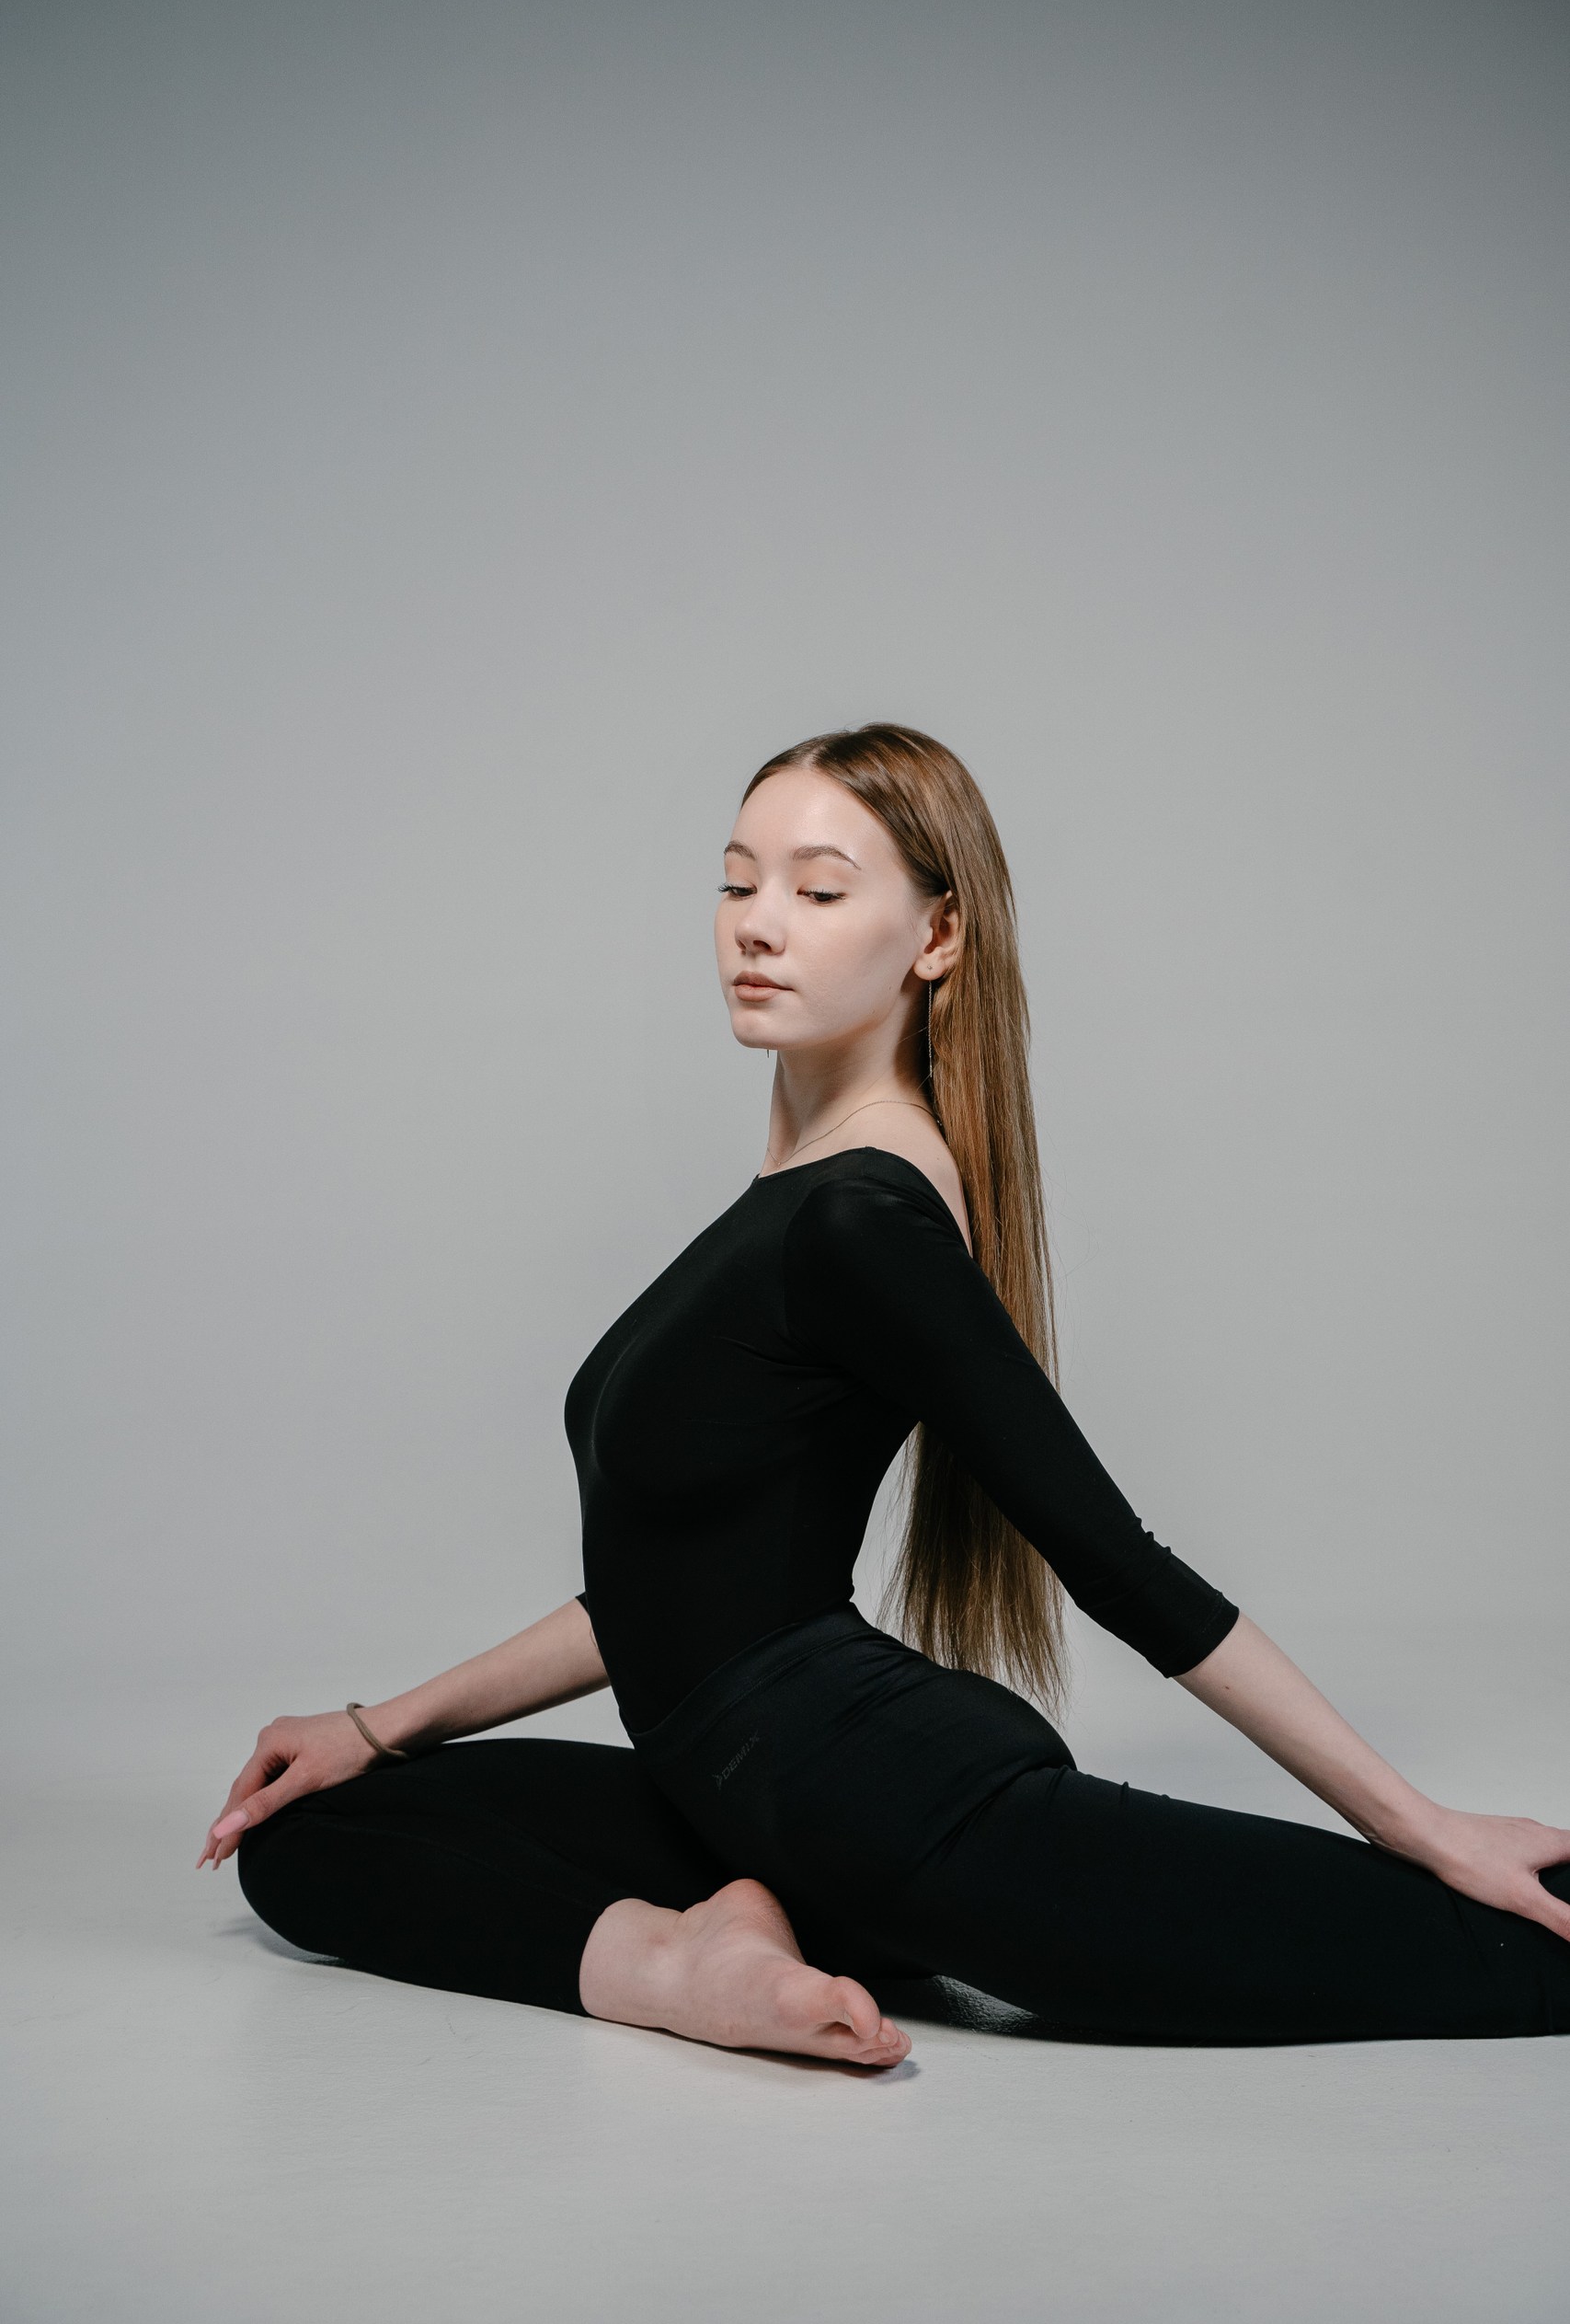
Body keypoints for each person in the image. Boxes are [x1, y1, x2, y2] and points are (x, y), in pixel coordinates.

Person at [202, 726, 1570, 2065]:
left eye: (817, 891)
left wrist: (1425, 1828)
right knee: (312, 1836)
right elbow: (666, 1591)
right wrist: (376, 1726)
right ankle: (705, 1946)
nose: (757, 924)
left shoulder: (863, 1218)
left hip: (896, 1803)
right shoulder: (792, 1201)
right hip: (738, 1795)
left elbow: (1120, 1565)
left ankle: (696, 1960)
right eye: (737, 882)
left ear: (938, 937)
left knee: (1505, 1950)